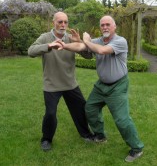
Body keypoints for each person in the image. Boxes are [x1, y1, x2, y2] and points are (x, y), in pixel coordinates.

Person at [59, 15, 144, 162]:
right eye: (102, 25)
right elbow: (85, 51)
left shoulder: (120, 41)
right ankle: (100, 136)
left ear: (114, 26)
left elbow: (103, 51)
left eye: (107, 25)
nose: (105, 27)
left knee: (122, 120)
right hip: (101, 85)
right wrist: (73, 43)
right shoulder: (96, 41)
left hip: (118, 86)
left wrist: (86, 41)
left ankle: (137, 148)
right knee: (90, 108)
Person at [27, 12, 94, 151]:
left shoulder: (71, 38)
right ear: (54, 23)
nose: (63, 25)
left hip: (70, 83)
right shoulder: (45, 37)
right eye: (60, 22)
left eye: (65, 22)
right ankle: (46, 139)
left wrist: (79, 42)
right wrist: (48, 46)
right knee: (50, 114)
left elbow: (88, 55)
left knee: (81, 109)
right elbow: (31, 51)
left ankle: (86, 134)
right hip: (51, 84)